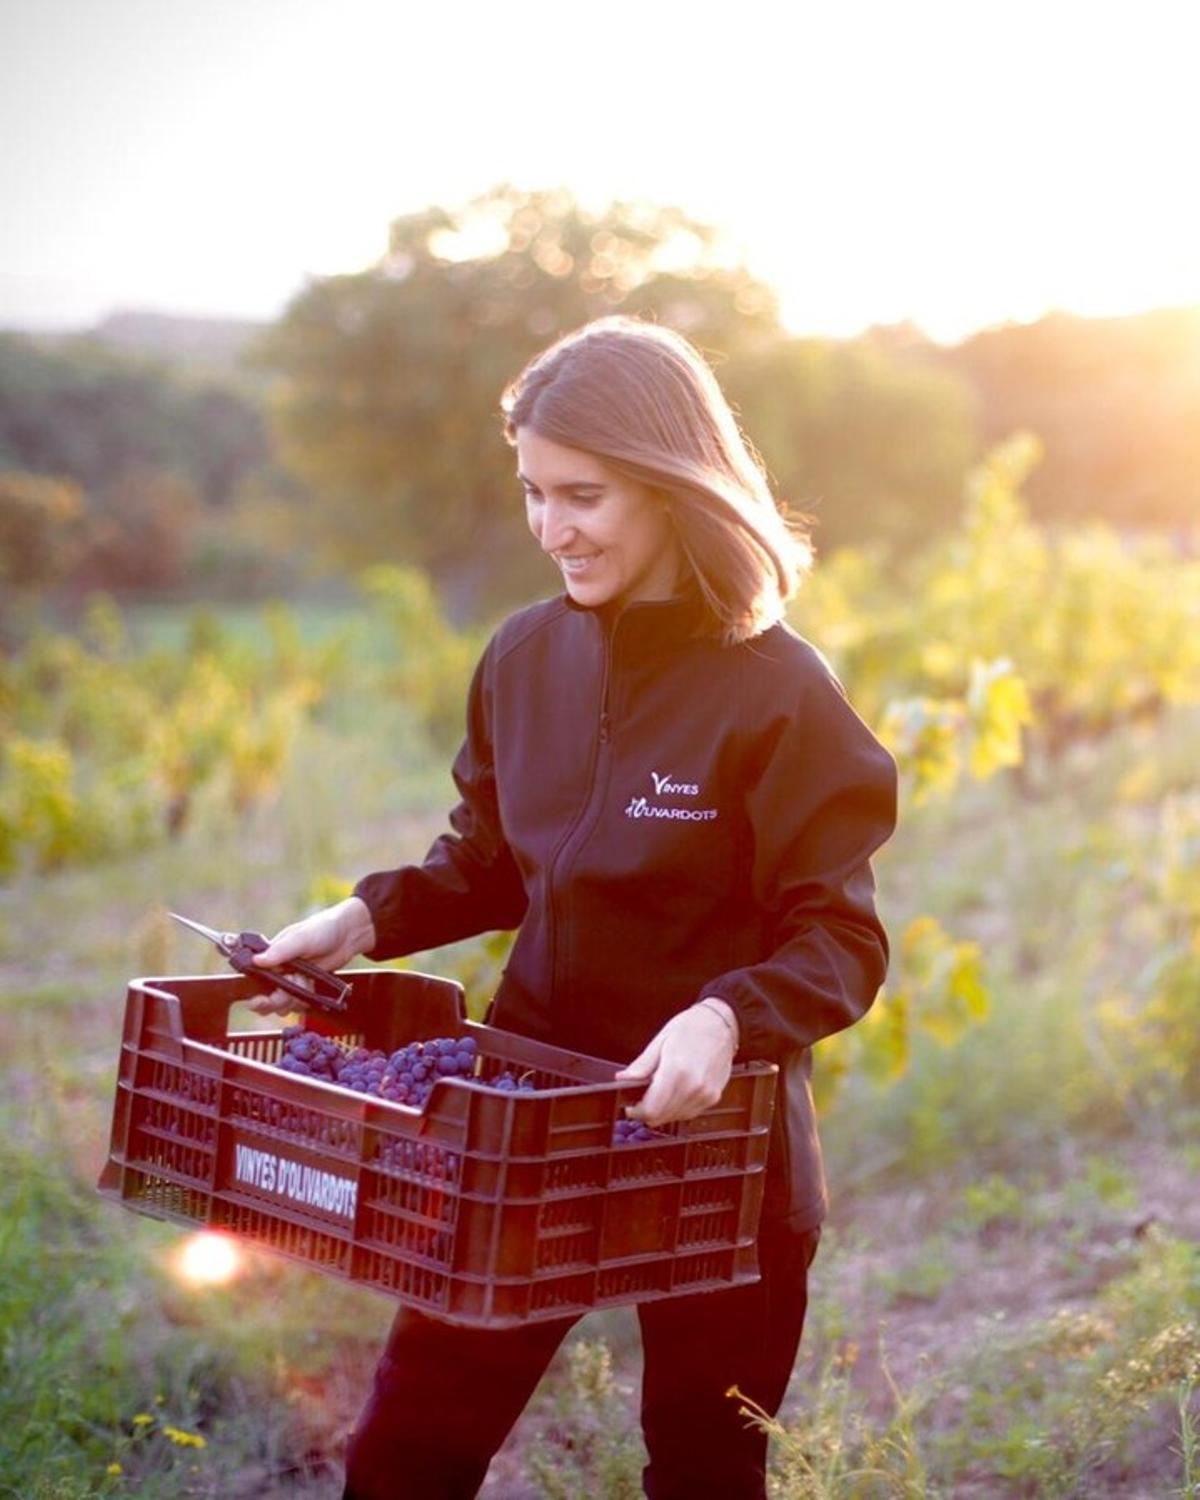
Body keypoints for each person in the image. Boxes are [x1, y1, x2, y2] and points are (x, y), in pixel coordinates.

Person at [248, 314, 898, 1499]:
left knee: (705, 1470)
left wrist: (724, 1020)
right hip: (525, 1125)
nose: (553, 528)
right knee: (407, 1456)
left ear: (667, 485)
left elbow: (841, 940)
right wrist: (363, 919)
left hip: (721, 1152)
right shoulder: (522, 657)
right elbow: (491, 861)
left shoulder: (780, 694)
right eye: (535, 494)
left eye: (584, 495)